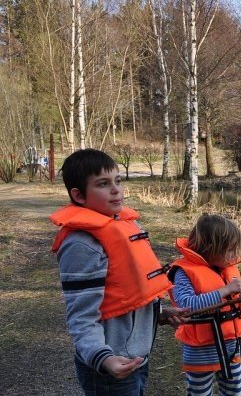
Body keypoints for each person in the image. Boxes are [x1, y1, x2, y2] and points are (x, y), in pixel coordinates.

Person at [50, 148, 186, 395]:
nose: (116, 190)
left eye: (118, 181)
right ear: (78, 195)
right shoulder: (82, 245)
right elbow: (81, 317)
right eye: (103, 184)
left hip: (135, 359)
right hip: (110, 368)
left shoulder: (124, 224)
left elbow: (124, 293)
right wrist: (103, 358)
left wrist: (159, 313)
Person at [168, 214, 241, 396]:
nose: (235, 255)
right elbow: (187, 306)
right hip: (200, 352)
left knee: (234, 391)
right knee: (199, 393)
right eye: (231, 250)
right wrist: (224, 291)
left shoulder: (228, 270)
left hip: (231, 349)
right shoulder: (183, 272)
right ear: (211, 247)